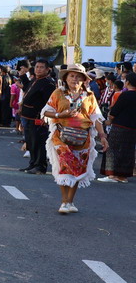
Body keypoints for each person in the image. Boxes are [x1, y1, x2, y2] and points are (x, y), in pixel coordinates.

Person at [42, 63, 109, 214]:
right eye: (72, 76)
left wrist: (103, 136)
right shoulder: (58, 93)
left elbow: (96, 118)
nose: (75, 79)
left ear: (84, 80)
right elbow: (47, 112)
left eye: (79, 77)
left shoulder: (89, 96)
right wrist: (61, 115)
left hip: (83, 138)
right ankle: (64, 202)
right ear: (65, 78)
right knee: (65, 166)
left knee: (78, 170)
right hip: (62, 136)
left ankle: (70, 201)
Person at [18, 59, 56, 174]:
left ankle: (40, 166)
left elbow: (49, 103)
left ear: (47, 69)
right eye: (37, 67)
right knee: (31, 142)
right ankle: (33, 164)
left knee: (38, 143)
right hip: (27, 117)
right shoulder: (36, 79)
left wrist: (44, 117)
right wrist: (23, 76)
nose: (38, 69)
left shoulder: (48, 83)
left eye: (41, 67)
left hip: (37, 118)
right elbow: (28, 90)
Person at [99, 72, 136, 183]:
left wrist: (109, 119)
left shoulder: (125, 95)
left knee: (113, 149)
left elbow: (114, 112)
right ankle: (123, 176)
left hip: (120, 126)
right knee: (128, 151)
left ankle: (112, 175)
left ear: (128, 82)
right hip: (133, 128)